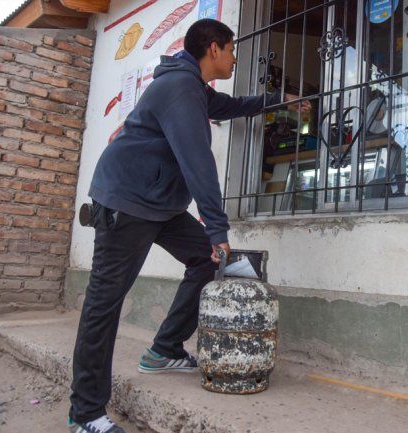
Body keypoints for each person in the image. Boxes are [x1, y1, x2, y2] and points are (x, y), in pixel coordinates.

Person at [68, 19, 309, 433]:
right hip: (127, 201)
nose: (235, 58)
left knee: (204, 261)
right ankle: (86, 412)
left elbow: (231, 107)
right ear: (213, 49)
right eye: (232, 50)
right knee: (104, 305)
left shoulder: (195, 90)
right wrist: (218, 228)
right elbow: (198, 164)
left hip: (158, 204)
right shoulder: (180, 89)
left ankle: (164, 348)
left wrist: (278, 99)